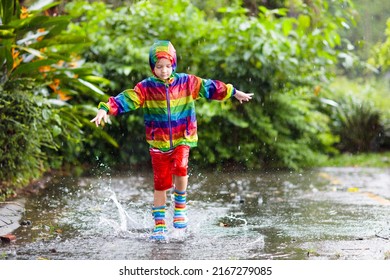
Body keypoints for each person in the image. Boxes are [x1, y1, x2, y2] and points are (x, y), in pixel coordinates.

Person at [91, 40, 253, 240]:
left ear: (174, 65)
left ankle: (180, 208)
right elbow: (126, 99)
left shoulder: (187, 82)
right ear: (153, 67)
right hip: (158, 143)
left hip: (182, 136)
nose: (164, 70)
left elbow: (210, 87)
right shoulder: (146, 88)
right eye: (159, 67)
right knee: (161, 184)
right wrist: (105, 108)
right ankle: (159, 225)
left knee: (181, 167)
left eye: (168, 66)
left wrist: (233, 92)